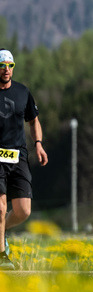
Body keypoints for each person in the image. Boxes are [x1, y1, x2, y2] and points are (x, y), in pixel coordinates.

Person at [0, 49, 49, 270]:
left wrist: (38, 144)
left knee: (23, 211)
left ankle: (2, 230)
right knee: (0, 209)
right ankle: (2, 257)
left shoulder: (22, 92)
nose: (6, 70)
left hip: (18, 156)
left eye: (10, 65)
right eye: (2, 66)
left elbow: (34, 121)